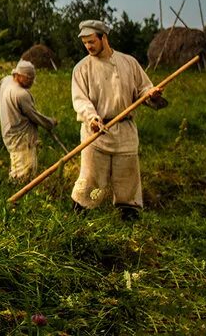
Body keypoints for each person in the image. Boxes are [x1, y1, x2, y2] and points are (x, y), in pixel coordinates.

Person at [70, 19, 165, 220]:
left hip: (125, 132)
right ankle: (80, 219)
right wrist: (92, 119)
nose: (88, 46)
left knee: (128, 181)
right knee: (90, 180)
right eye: (85, 42)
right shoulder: (82, 68)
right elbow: (80, 100)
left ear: (103, 38)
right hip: (96, 133)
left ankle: (128, 217)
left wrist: (151, 95)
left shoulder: (128, 62)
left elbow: (143, 89)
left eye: (92, 41)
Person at [0, 59, 58, 183]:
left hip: (8, 134)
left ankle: (12, 190)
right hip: (21, 138)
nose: (32, 82)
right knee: (24, 174)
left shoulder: (5, 81)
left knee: (16, 163)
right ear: (19, 76)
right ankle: (17, 197)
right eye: (29, 79)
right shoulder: (21, 94)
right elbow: (34, 116)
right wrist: (50, 123)